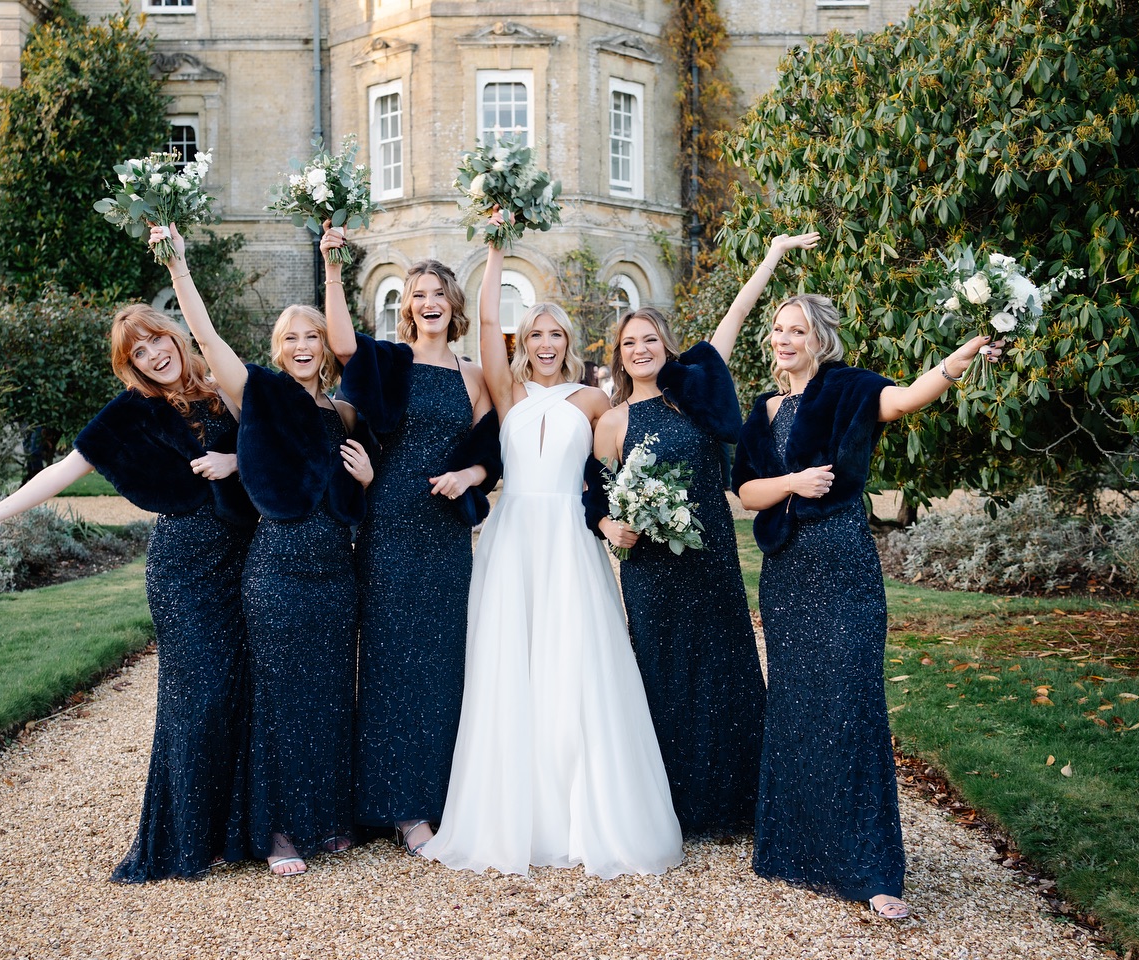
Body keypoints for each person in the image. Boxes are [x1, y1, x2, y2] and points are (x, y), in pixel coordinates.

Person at [0, 301, 258, 883]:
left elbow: (282, 446)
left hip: (241, 559)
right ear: (131, 366)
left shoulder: (223, 386)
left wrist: (235, 459)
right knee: (199, 696)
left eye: (155, 342)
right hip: (184, 569)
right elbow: (60, 473)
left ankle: (233, 831)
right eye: (137, 353)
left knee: (239, 689)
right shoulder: (131, 413)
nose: (153, 356)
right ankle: (184, 838)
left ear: (174, 336)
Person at [421, 214, 683, 877]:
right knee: (509, 662)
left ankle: (582, 812)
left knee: (575, 663)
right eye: (534, 332)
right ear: (524, 341)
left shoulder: (595, 399)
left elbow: (611, 473)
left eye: (554, 333)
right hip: (513, 538)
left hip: (568, 537)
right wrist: (493, 252)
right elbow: (483, 329)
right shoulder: (506, 393)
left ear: (569, 341)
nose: (543, 342)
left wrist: (635, 514)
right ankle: (513, 814)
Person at [733, 293, 1003, 919]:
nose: (783, 339)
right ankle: (796, 852)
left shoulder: (849, 389)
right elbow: (747, 491)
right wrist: (793, 484)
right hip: (787, 575)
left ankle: (873, 870)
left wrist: (960, 357)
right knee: (799, 706)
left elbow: (906, 397)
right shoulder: (764, 408)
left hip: (843, 565)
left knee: (852, 704)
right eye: (777, 330)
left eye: (796, 330)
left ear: (819, 338)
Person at [151, 223, 373, 876]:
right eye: (291, 337)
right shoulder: (260, 401)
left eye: (313, 336)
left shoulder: (345, 414)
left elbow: (354, 497)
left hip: (336, 572)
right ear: (278, 350)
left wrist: (364, 480)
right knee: (276, 700)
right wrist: (178, 267)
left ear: (325, 350)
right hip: (276, 572)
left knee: (331, 696)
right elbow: (209, 338)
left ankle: (326, 819)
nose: (303, 345)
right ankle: (277, 832)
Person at [589, 233, 819, 836]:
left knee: (727, 670)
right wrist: (614, 524)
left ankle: (741, 803)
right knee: (663, 677)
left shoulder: (695, 394)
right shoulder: (612, 423)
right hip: (652, 573)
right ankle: (674, 807)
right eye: (628, 343)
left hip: (711, 558)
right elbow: (594, 494)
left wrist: (771, 255)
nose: (640, 349)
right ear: (618, 355)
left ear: (666, 347)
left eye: (650, 340)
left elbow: (735, 319)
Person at [320, 226, 501, 856]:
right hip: (390, 524)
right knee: (393, 664)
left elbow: (489, 453)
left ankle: (440, 794)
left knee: (444, 664)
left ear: (452, 304)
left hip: (446, 533)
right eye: (417, 293)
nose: (428, 302)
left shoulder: (474, 373)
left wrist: (469, 475)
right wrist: (334, 267)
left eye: (437, 293)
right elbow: (341, 344)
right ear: (408, 307)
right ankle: (399, 809)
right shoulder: (388, 362)